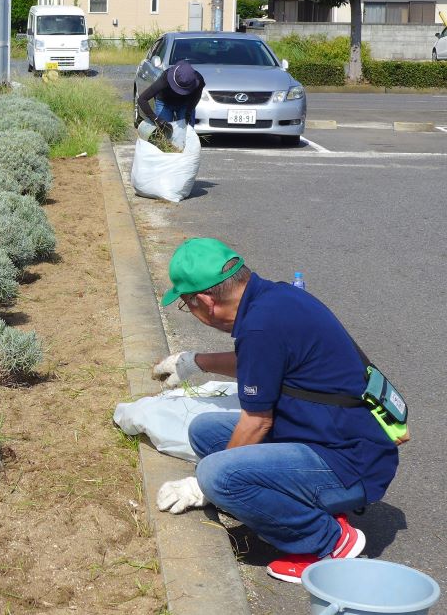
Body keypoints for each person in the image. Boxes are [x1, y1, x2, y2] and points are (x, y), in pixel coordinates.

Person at [153, 238, 398, 584]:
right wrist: (194, 362)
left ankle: (328, 542)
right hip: (331, 433)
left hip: (350, 462)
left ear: (206, 302)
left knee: (217, 474)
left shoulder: (260, 326)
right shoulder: (274, 298)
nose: (189, 311)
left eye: (185, 304)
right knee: (204, 431)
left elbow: (256, 421)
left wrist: (203, 486)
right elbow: (260, 362)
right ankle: (309, 506)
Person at [136, 59, 205, 149]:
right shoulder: (165, 78)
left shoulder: (198, 80)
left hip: (185, 104)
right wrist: (156, 119)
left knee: (186, 136)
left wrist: (189, 111)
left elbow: (195, 98)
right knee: (164, 135)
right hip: (165, 102)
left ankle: (183, 154)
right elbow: (142, 99)